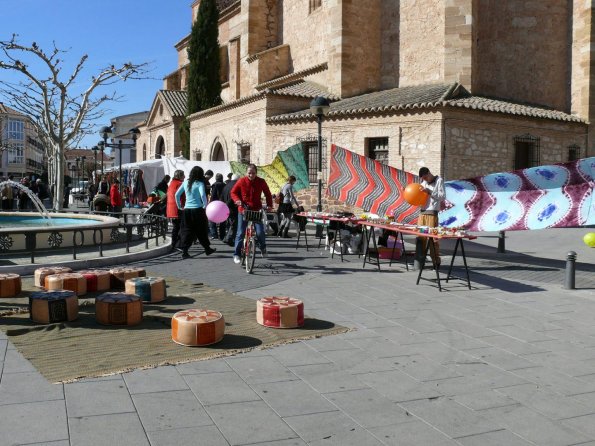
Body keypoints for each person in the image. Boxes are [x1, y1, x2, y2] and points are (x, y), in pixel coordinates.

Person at [230, 164, 273, 264]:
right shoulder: (241, 181)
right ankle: (236, 254)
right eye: (249, 173)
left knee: (260, 232)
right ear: (246, 173)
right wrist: (237, 200)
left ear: (256, 173)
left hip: (256, 210)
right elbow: (233, 192)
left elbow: (268, 194)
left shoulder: (261, 181)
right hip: (243, 210)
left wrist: (269, 205)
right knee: (240, 233)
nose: (251, 175)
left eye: (253, 173)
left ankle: (263, 248)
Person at [175, 166, 216, 259]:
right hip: (198, 210)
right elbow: (203, 195)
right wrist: (205, 206)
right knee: (201, 230)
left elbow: (177, 194)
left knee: (187, 230)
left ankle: (185, 251)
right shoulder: (200, 183)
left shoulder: (186, 183)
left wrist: (179, 206)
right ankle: (207, 248)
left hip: (186, 211)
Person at [417, 167, 446, 266]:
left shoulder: (439, 180)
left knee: (432, 238)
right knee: (421, 237)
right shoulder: (423, 182)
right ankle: (420, 262)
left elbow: (442, 196)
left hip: (432, 212)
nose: (424, 180)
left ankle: (435, 261)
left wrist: (429, 192)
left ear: (429, 174)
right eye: (423, 179)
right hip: (422, 212)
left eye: (425, 178)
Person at [166, 170, 185, 251]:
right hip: (178, 208)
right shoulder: (180, 184)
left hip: (171, 209)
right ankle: (178, 244)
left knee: (175, 227)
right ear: (180, 176)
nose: (184, 177)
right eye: (183, 175)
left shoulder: (171, 184)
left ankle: (173, 244)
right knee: (181, 227)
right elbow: (183, 197)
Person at [221, 174, 239, 246]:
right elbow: (233, 197)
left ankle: (227, 237)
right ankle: (229, 238)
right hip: (233, 207)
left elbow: (222, 197)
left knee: (230, 223)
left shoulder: (226, 186)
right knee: (234, 224)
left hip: (226, 206)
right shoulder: (236, 186)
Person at [209, 173, 226, 240]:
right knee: (222, 219)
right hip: (223, 203)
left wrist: (210, 203)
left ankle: (214, 234)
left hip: (215, 204)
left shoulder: (214, 185)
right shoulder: (225, 185)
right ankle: (222, 234)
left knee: (212, 218)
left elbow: (213, 195)